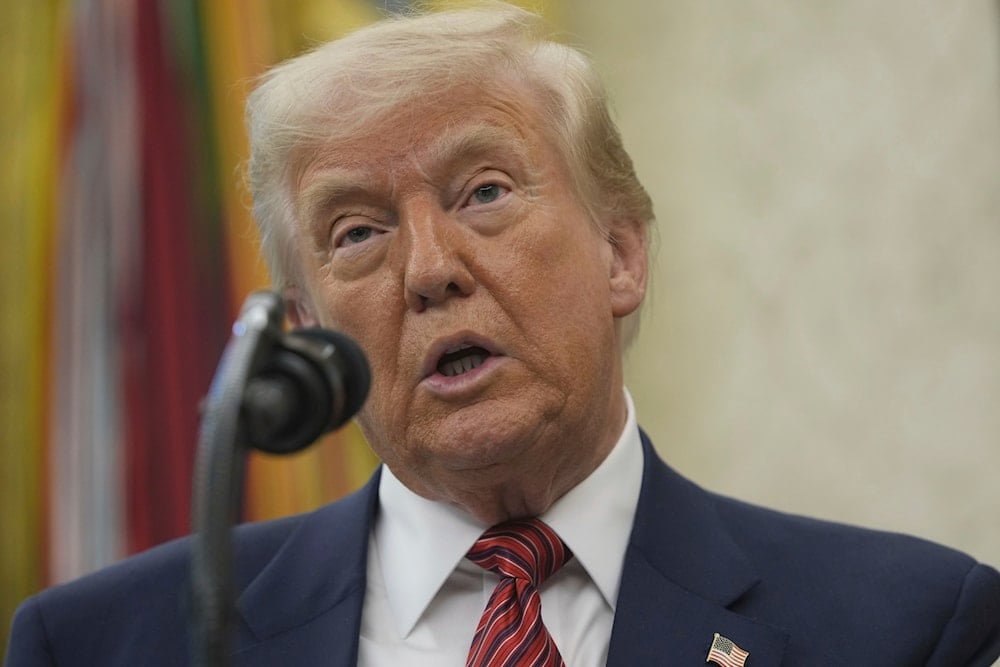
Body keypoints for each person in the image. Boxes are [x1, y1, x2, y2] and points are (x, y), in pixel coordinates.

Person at [6, 3, 1000, 666]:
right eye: (356, 231)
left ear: (621, 254)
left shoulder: (904, 626)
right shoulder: (105, 643)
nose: (429, 267)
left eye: (483, 191)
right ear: (307, 329)